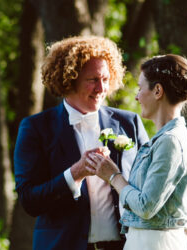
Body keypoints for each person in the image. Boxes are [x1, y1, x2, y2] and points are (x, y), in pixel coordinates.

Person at [14, 36, 149, 250]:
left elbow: (148, 188)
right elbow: (29, 201)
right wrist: (74, 173)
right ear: (69, 79)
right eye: (92, 80)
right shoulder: (36, 128)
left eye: (105, 79)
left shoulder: (129, 123)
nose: (101, 88)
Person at [86, 54, 187, 250]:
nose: (137, 96)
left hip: (157, 243)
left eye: (140, 88)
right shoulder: (163, 139)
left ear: (158, 90)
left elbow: (146, 206)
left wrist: (114, 176)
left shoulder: (171, 141)